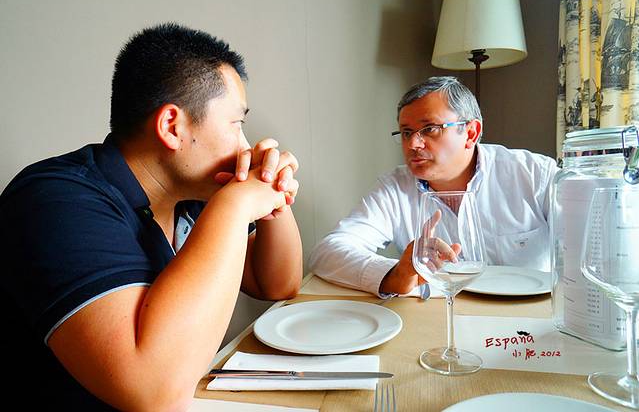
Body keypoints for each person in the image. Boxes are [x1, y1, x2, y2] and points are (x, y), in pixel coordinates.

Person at [0, 23, 303, 411]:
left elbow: (277, 283)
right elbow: (152, 393)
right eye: (237, 125)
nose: (245, 146)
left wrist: (271, 186)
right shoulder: (55, 202)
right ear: (171, 127)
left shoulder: (189, 195)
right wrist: (236, 206)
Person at [309, 76, 557, 298]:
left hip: (529, 320)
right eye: (406, 132)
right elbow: (328, 252)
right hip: (436, 321)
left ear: (471, 133)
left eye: (429, 129)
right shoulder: (395, 188)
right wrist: (397, 274)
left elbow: (579, 255)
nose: (413, 144)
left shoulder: (535, 175)